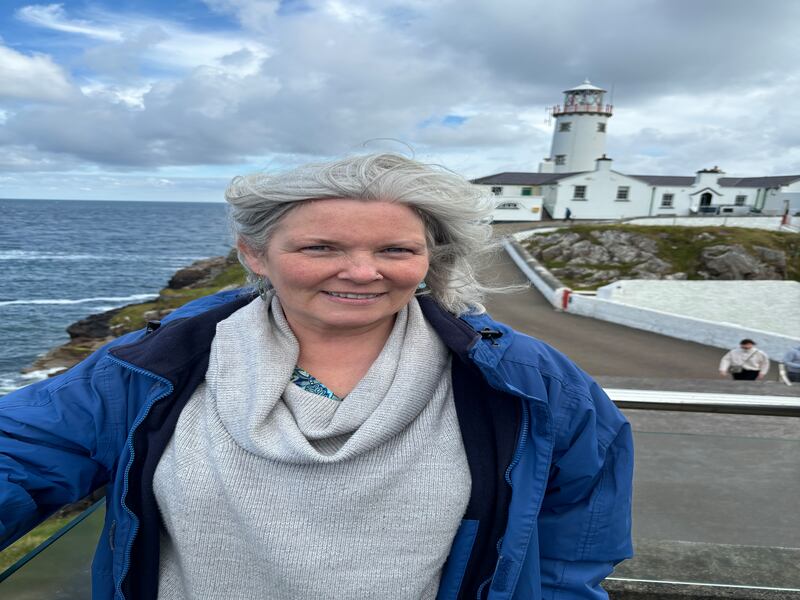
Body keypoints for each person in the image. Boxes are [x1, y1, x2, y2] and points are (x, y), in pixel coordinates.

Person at [0, 154, 633, 600]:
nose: (361, 272)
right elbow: (25, 451)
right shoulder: (159, 362)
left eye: (395, 250)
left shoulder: (527, 380)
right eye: (320, 248)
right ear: (255, 255)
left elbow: (574, 537)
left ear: (429, 259)